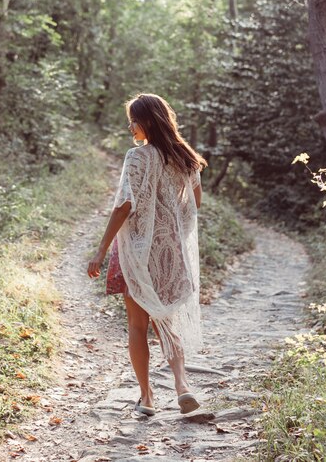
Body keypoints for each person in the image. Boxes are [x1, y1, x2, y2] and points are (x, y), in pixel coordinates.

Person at [87, 93, 206, 416]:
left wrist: (100, 250)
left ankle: (148, 397)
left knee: (138, 325)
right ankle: (182, 385)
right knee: (166, 321)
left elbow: (125, 205)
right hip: (170, 253)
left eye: (133, 120)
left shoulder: (138, 157)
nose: (130, 127)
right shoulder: (185, 158)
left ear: (147, 121)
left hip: (137, 251)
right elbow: (195, 203)